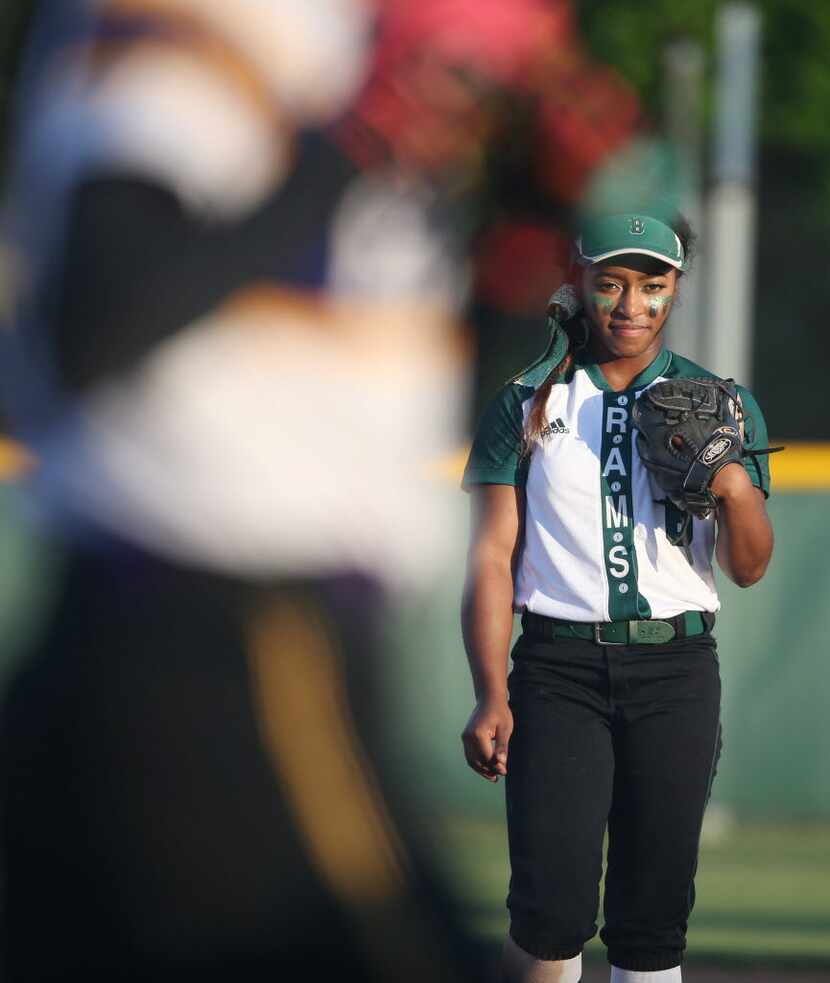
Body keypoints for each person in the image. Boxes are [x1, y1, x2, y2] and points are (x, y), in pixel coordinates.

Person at [459, 211, 775, 983]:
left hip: (676, 673)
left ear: (674, 290)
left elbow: (750, 566)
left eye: (652, 285)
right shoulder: (528, 400)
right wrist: (491, 691)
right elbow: (494, 557)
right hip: (557, 670)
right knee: (549, 913)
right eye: (611, 283)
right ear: (579, 282)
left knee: (652, 918)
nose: (631, 304)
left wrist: (733, 483)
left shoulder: (722, 405)